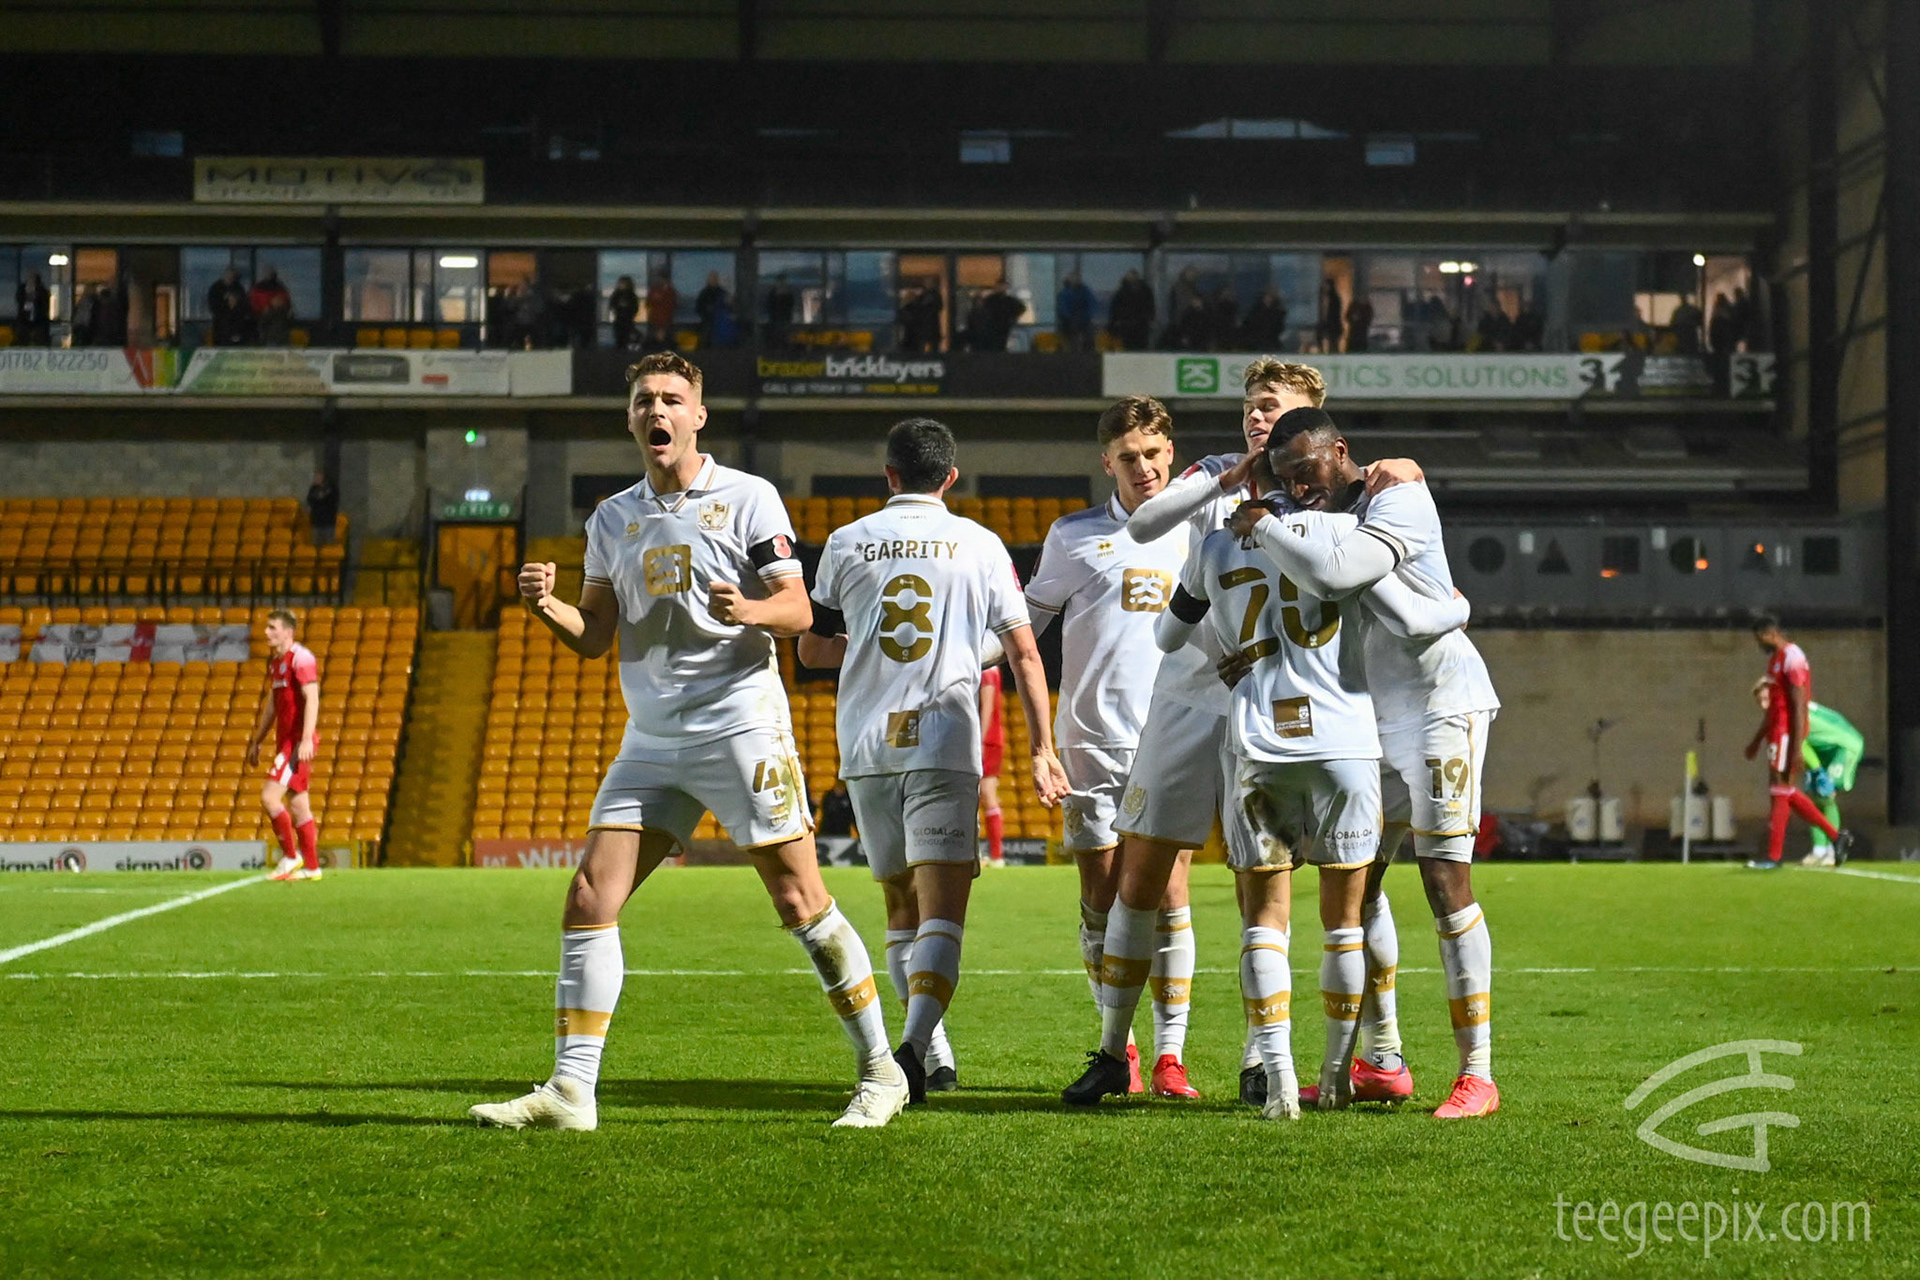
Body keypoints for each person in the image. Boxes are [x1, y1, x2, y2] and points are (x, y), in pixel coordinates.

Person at [471, 352, 908, 1132]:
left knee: (800, 900)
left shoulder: (748, 497)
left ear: (698, 416)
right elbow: (595, 634)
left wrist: (751, 611)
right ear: (630, 418)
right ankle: (572, 1091)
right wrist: (548, 608)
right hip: (653, 737)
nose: (657, 410)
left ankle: (882, 1070)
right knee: (589, 898)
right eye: (645, 399)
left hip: (741, 725)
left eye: (673, 399)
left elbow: (798, 611)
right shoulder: (611, 518)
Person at [1154, 459, 1462, 1119]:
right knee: (1344, 923)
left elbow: (1166, 634)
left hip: (1258, 744)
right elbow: (1408, 619)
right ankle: (1335, 1076)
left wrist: (1232, 643)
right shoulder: (1341, 538)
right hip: (1344, 744)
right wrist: (1459, 605)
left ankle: (1279, 1084)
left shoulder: (1216, 544)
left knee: (1264, 921)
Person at [1061, 359, 1323, 1110]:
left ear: (1308, 413)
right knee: (1140, 878)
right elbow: (1143, 523)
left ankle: (1261, 1057)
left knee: (1261, 881)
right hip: (1182, 699)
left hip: (1265, 705)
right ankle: (1113, 1052)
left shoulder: (1330, 493)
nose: (1256, 415)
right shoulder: (1214, 473)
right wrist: (1226, 477)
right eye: (1250, 405)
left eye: (1270, 404)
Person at [1240, 407, 1506, 1119]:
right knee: (1358, 886)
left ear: (1341, 451)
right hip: (1366, 719)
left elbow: (1350, 583)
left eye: (1308, 471)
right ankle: (1383, 1058)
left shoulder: (1399, 497)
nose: (1300, 488)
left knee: (1444, 879)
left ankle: (1477, 1074)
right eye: (1287, 479)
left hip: (1440, 707)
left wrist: (1454, 613)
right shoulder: (1317, 518)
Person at [797, 417, 1067, 1104]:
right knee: (944, 908)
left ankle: (931, 1053)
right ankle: (915, 1051)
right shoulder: (979, 543)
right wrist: (1042, 748)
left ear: (889, 475)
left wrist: (864, 643)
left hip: (867, 744)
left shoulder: (846, 540)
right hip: (943, 742)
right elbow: (1024, 650)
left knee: (899, 902)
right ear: (951, 477)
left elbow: (811, 650)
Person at [1024, 395, 1201, 1099]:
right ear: (1108, 462)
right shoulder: (1072, 536)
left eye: (1153, 454)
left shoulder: (1198, 529)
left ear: (1171, 454)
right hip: (1090, 741)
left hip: (1173, 735)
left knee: (1170, 893)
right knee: (1100, 894)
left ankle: (1170, 1056)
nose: (1143, 467)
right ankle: (1115, 1046)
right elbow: (1025, 627)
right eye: (1129, 457)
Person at [1743, 616, 1852, 870]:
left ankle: (1774, 857)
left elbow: (1799, 704)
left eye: (1759, 639)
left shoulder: (1794, 657)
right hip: (1776, 733)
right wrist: (1756, 740)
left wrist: (1797, 746)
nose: (1759, 644)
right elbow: (1775, 707)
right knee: (1784, 792)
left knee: (1780, 790)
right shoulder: (1775, 660)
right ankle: (1836, 837)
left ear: (1770, 633)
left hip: (1786, 733)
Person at [245, 610, 323, 883]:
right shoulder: (276, 662)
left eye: (272, 628)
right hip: (286, 741)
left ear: (288, 632)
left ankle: (290, 856)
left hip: (296, 742)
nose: (266, 632)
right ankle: (312, 867)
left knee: (269, 798)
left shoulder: (301, 658)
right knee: (300, 806)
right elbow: (273, 705)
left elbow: (312, 698)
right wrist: (258, 739)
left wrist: (306, 738)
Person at [978, 664, 1007, 867]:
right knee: (986, 795)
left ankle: (996, 856)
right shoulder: (991, 668)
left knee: (986, 794)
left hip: (987, 741)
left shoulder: (987, 669)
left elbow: (987, 706)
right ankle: (994, 855)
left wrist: (979, 740)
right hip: (991, 739)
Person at [1108, 270, 1154, 352]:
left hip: (1139, 325)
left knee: (1138, 348)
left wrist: (1150, 317)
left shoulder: (1144, 290)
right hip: (1129, 326)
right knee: (1129, 347)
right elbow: (1115, 309)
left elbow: (1150, 306)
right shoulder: (1122, 292)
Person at [208, 266, 251, 345]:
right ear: (225, 275)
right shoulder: (216, 288)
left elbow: (244, 306)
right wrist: (226, 305)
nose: (230, 278)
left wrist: (235, 306)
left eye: (232, 277)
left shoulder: (238, 288)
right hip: (221, 327)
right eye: (229, 276)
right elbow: (214, 306)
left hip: (237, 326)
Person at [251, 267, 293, 345]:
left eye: (271, 274)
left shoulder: (280, 289)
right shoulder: (257, 289)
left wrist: (278, 306)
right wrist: (264, 310)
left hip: (279, 320)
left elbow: (287, 304)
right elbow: (253, 304)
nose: (269, 276)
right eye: (267, 273)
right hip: (262, 319)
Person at [1056, 272, 1094, 352]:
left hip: (1075, 320)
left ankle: (1077, 352)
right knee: (1077, 339)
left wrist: (1067, 317)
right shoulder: (1084, 291)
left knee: (1074, 339)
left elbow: (1062, 307)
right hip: (1077, 320)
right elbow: (1092, 304)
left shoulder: (1066, 293)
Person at [695, 272, 730, 348]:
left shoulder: (721, 292)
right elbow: (699, 306)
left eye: (715, 279)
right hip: (708, 318)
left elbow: (727, 305)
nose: (713, 281)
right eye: (712, 279)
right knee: (707, 336)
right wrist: (705, 312)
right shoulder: (705, 293)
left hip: (720, 320)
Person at [15, 271, 51, 346]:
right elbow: (19, 300)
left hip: (39, 320)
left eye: (33, 279)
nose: (31, 281)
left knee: (39, 338)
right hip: (24, 321)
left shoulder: (42, 291)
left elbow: (44, 305)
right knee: (22, 337)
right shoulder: (22, 290)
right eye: (29, 279)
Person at [306, 471, 339, 547]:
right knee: (316, 544)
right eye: (316, 477)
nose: (317, 479)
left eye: (319, 477)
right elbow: (310, 500)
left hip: (328, 521)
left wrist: (323, 497)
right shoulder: (313, 488)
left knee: (329, 545)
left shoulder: (332, 488)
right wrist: (317, 497)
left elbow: (333, 501)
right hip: (316, 521)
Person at [645, 271, 677, 349]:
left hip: (662, 317)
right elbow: (648, 303)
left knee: (662, 333)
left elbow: (671, 304)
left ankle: (661, 346)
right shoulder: (656, 290)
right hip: (657, 317)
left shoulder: (669, 291)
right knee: (658, 333)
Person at [764, 273, 796, 350]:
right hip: (777, 318)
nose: (782, 283)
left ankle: (782, 346)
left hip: (782, 318)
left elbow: (790, 305)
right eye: (781, 281)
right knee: (779, 333)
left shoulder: (786, 293)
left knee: (782, 333)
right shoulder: (776, 293)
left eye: (783, 282)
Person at [609, 276, 640, 350]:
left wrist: (627, 308)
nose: (621, 285)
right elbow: (612, 305)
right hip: (619, 318)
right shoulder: (616, 294)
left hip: (627, 318)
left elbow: (635, 307)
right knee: (619, 336)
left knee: (626, 336)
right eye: (621, 283)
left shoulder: (631, 295)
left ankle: (623, 349)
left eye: (623, 283)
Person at [1316, 278, 1344, 353]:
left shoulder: (1335, 298)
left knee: (1333, 343)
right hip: (1323, 323)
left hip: (1333, 324)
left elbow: (1336, 313)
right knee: (1320, 340)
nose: (1325, 287)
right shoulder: (1321, 298)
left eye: (1327, 285)